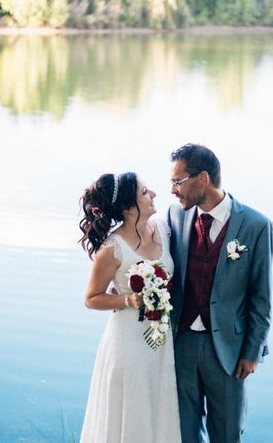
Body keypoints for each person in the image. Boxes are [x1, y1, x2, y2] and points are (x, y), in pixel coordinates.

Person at [167, 144, 273, 443]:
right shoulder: (176, 215)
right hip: (182, 343)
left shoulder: (256, 225)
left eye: (178, 182)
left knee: (227, 433)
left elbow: (261, 297)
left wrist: (252, 353)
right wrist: (124, 283)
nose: (174, 191)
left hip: (227, 350)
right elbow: (156, 258)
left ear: (202, 179)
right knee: (184, 433)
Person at [78, 172, 182, 443]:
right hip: (128, 342)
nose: (154, 194)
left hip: (160, 339)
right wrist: (127, 300)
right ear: (127, 207)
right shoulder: (112, 249)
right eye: (145, 192)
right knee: (131, 407)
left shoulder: (165, 229)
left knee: (158, 404)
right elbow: (91, 298)